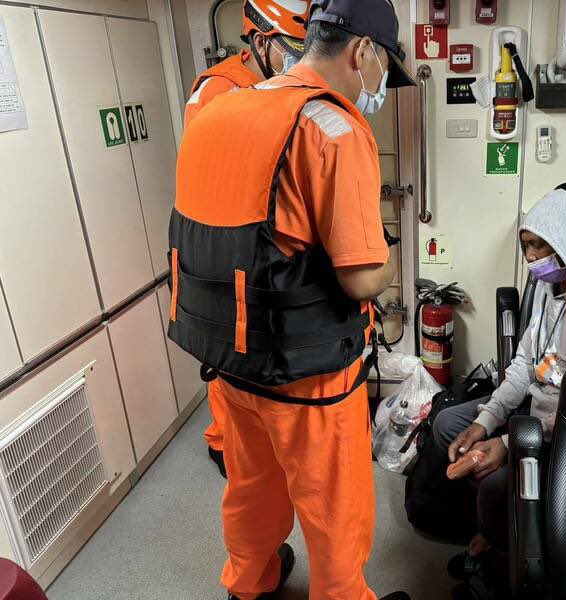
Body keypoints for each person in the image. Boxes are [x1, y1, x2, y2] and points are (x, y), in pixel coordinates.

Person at [169, 0, 416, 598]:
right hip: (307, 375)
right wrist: (391, 263)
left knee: (252, 486)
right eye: (384, 68)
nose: (380, 84)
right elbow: (359, 278)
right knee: (336, 506)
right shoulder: (330, 126)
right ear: (363, 51)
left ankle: (247, 582)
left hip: (230, 359)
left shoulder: (218, 111)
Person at [432, 189, 566, 589]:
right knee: (448, 425)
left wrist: (507, 442)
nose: (530, 258)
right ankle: (500, 517)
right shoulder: (547, 291)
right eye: (526, 247)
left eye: (539, 246)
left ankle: (501, 532)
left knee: (493, 486)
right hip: (534, 407)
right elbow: (525, 363)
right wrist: (486, 420)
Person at [183, 0, 313, 479]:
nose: (301, 61)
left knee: (257, 344)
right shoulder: (220, 91)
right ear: (260, 42)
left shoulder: (276, 87)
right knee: (232, 350)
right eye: (293, 50)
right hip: (227, 247)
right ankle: (225, 443)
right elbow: (215, 182)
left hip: (259, 243)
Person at [184, 0, 311, 129]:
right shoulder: (216, 91)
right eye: (294, 53)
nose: (302, 62)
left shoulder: (287, 82)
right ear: (260, 43)